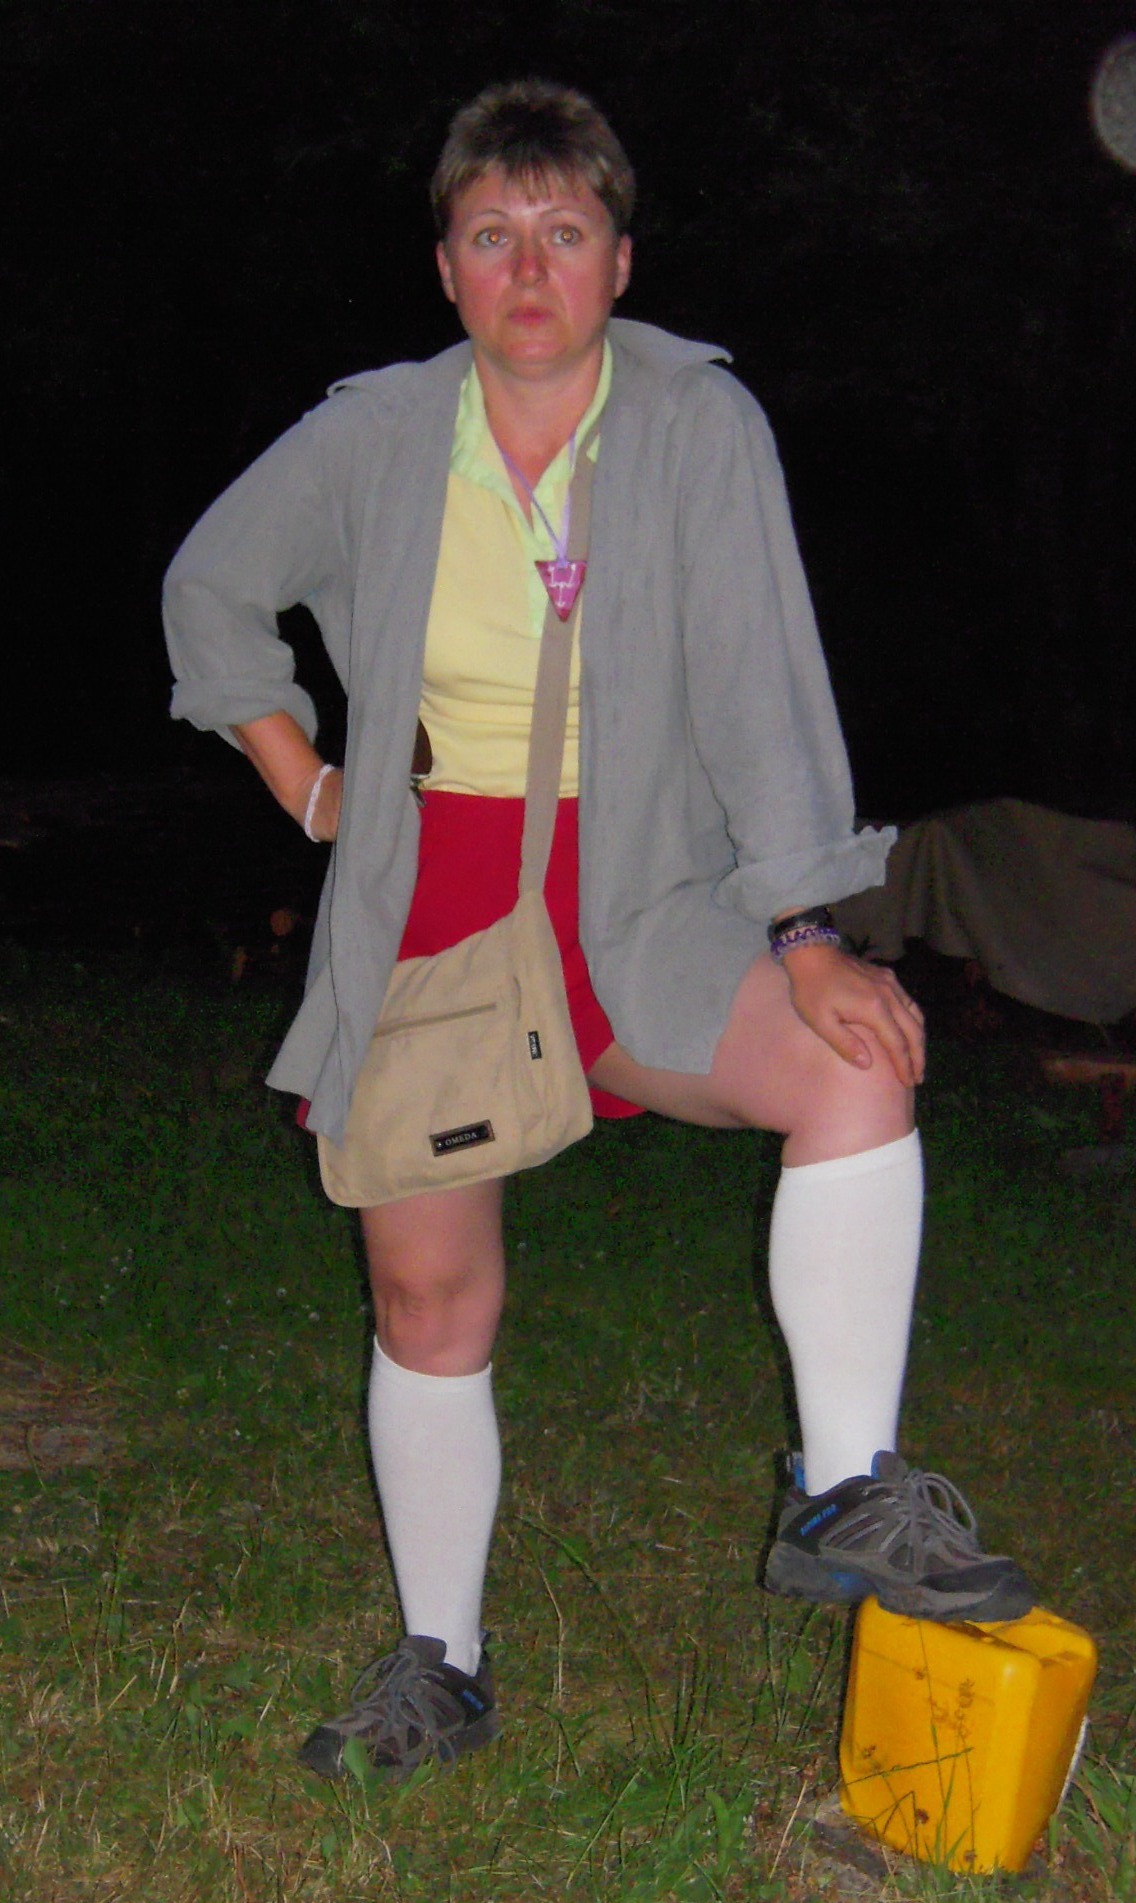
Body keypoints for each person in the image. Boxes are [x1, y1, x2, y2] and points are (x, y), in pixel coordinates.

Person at [163, 79, 1034, 1780]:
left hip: (647, 885)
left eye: (563, 232)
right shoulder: (374, 435)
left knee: (857, 1065)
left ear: (620, 262)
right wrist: (313, 786)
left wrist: (805, 925)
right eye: (492, 234)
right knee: (427, 1300)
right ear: (447, 268)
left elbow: (764, 686)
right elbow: (210, 585)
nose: (528, 267)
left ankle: (846, 1489)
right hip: (435, 898)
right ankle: (441, 1667)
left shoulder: (701, 424)